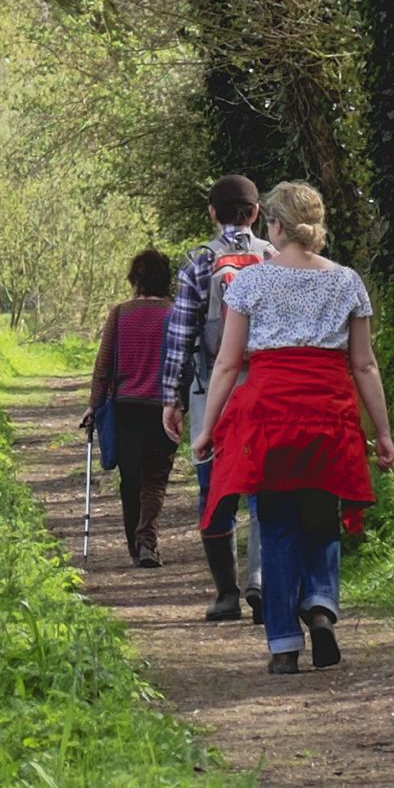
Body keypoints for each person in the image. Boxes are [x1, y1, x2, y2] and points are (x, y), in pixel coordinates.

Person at [194, 180, 394, 675]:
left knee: (278, 522)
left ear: (276, 226)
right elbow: (365, 366)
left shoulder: (251, 283)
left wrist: (207, 429)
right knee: (321, 514)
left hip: (270, 417)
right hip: (328, 413)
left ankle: (284, 644)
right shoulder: (347, 282)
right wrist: (383, 432)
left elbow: (226, 364)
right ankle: (321, 607)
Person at [157, 176, 274, 620]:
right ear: (257, 212)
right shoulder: (274, 259)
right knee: (264, 489)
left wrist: (172, 398)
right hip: (265, 392)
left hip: (212, 393)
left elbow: (181, 337)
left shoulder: (199, 263)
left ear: (212, 213)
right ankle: (261, 582)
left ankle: (226, 594)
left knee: (214, 491)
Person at [82, 249, 179, 564]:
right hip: (164, 406)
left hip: (125, 408)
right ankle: (147, 541)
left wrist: (93, 406)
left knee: (132, 480)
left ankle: (136, 547)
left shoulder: (120, 313)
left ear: (134, 279)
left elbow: (103, 366)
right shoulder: (175, 313)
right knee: (155, 477)